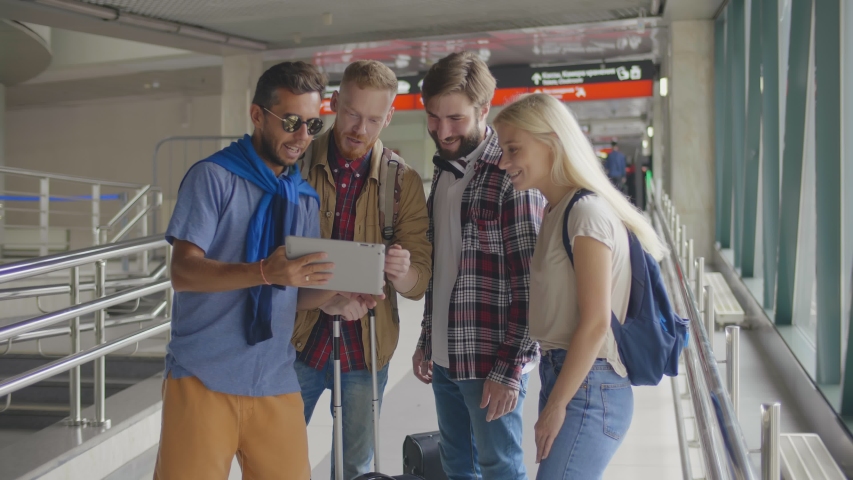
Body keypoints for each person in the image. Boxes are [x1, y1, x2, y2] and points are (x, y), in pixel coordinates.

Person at [155, 61, 376, 480]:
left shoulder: (302, 198)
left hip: (275, 379)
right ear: (258, 115)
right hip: (203, 378)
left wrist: (334, 298)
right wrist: (263, 272)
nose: (302, 138)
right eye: (291, 122)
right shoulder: (212, 178)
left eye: (313, 125)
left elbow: (292, 292)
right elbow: (183, 273)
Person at [493, 93, 667, 479]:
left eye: (513, 149)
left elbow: (595, 323)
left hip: (589, 387)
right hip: (568, 378)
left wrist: (557, 406)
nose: (503, 162)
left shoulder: (585, 214)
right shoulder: (556, 210)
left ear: (552, 141)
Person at [291, 60, 432, 480]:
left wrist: (402, 270)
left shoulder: (402, 182)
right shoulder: (297, 164)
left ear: (389, 117)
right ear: (335, 104)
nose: (361, 128)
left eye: (374, 119)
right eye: (352, 113)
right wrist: (332, 298)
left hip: (365, 347)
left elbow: (418, 281)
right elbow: (274, 250)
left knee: (355, 466)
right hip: (297, 339)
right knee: (275, 456)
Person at [412, 51, 544, 480]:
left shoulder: (511, 177)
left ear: (484, 110)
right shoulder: (445, 173)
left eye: (456, 119)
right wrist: (428, 337)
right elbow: (445, 265)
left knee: (500, 467)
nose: (443, 130)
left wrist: (510, 370)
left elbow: (530, 285)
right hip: (447, 357)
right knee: (456, 467)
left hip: (491, 360)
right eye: (433, 117)